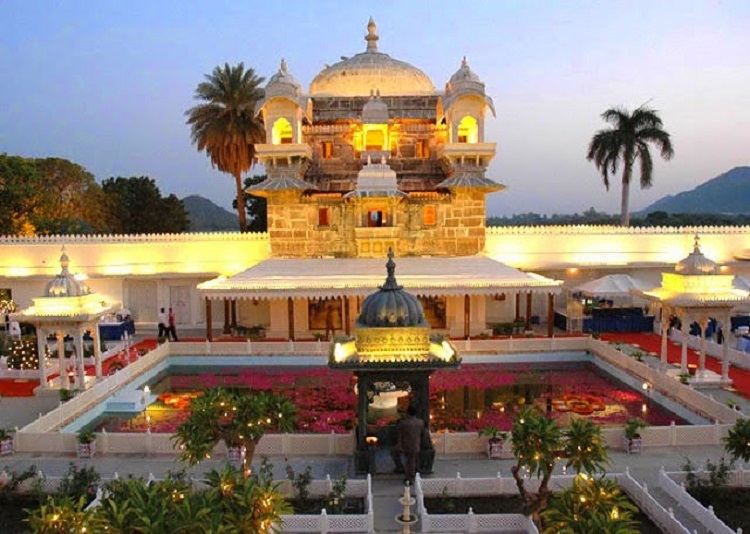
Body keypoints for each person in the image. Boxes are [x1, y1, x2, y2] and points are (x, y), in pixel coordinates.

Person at [391, 405, 427, 483]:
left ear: (408, 413)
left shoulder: (404, 423)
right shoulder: (420, 422)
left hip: (405, 445)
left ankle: (409, 476)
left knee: (409, 460)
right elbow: (423, 433)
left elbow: (399, 432)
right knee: (411, 460)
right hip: (416, 444)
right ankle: (408, 473)